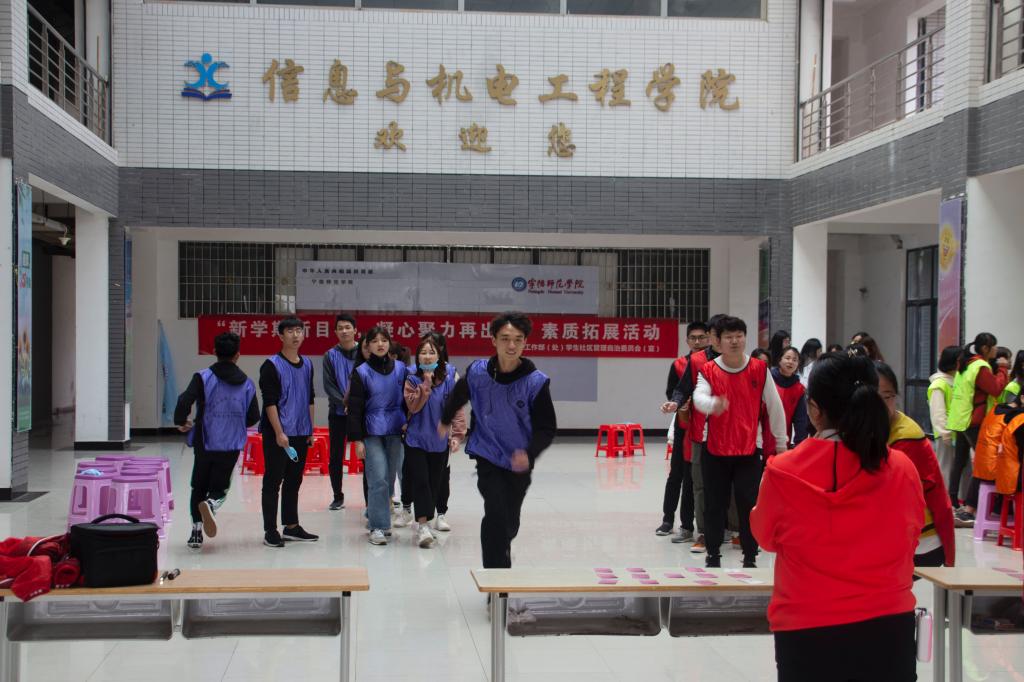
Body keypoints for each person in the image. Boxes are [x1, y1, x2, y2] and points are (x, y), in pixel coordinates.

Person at [750, 353, 924, 682]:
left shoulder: (783, 471)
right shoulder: (902, 468)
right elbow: (912, 534)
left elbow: (765, 537)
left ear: (814, 410)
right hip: (889, 625)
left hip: (806, 628)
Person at [440, 312, 557, 569]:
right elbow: (459, 395)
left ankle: (502, 545)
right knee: (495, 511)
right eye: (505, 338)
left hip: (518, 461)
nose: (511, 345)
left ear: (525, 342)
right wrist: (445, 419)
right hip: (488, 453)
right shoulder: (478, 372)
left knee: (509, 521)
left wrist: (529, 453)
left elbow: (547, 428)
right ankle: (496, 577)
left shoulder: (535, 382)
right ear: (493, 340)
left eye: (518, 339)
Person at [692, 316, 788, 568]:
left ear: (745, 338)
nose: (734, 341)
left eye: (739, 336)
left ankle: (750, 556)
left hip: (749, 450)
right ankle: (713, 554)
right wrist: (713, 404)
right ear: (718, 341)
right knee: (715, 503)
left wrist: (781, 443)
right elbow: (699, 398)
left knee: (748, 504)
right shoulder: (708, 370)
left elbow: (775, 407)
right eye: (729, 337)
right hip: (715, 450)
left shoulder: (759, 369)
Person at [174, 332, 260, 551]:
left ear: (215, 352)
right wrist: (235, 421)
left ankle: (195, 533)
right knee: (220, 487)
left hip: (205, 441)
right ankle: (211, 503)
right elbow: (253, 417)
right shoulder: (247, 384)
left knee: (198, 485)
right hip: (231, 443)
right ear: (238, 355)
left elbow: (184, 399)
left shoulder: (202, 377)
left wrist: (181, 420)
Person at [876, 362, 955, 569]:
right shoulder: (868, 429)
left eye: (888, 396)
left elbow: (936, 497)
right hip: (893, 537)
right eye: (873, 397)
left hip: (920, 540)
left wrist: (950, 556)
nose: (880, 405)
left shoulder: (906, 439)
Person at [662, 313, 728, 554]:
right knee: (692, 481)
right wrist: (675, 403)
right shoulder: (695, 362)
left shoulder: (739, 361)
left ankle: (729, 529)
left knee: (727, 484)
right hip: (696, 431)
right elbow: (680, 390)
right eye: (719, 335)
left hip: (730, 433)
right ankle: (692, 528)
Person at [259, 317, 318, 548]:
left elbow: (310, 398)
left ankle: (291, 526)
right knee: (273, 480)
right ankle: (270, 530)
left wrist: (310, 428)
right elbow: (269, 401)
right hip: (279, 434)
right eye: (290, 331)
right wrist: (278, 432)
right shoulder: (271, 365)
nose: (295, 335)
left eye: (299, 331)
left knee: (294, 480)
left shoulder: (308, 364)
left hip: (301, 432)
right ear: (280, 336)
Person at [347, 326, 408, 546]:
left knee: (389, 480)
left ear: (389, 343)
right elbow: (354, 408)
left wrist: (409, 422)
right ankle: (378, 526)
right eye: (375, 341)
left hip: (396, 431)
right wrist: (357, 440)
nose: (380, 344)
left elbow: (409, 400)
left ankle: (379, 517)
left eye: (384, 340)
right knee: (378, 478)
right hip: (371, 432)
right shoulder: (361, 372)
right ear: (368, 345)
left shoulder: (401, 369)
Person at [403, 336, 466, 548]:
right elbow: (413, 407)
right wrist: (426, 384)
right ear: (417, 357)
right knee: (420, 481)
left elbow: (456, 408)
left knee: (433, 484)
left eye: (432, 352)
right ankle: (423, 526)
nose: (427, 356)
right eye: (423, 352)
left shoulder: (448, 379)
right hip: (415, 440)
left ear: (439, 356)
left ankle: (428, 521)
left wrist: (457, 435)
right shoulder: (411, 378)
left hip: (439, 442)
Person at [947, 332, 1009, 526]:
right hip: (974, 420)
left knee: (960, 462)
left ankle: (953, 502)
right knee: (983, 464)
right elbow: (996, 389)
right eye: (994, 346)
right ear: (985, 348)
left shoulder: (966, 363)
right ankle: (969, 510)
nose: (996, 349)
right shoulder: (980, 366)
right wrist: (1003, 369)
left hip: (961, 419)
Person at [657, 320, 709, 541]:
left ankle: (701, 525)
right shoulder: (678, 365)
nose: (697, 342)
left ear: (709, 338)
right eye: (693, 338)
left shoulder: (714, 363)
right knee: (676, 474)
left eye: (701, 337)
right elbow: (673, 392)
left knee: (698, 478)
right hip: (683, 426)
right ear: (687, 341)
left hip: (707, 427)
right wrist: (680, 404)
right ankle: (668, 519)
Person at [322, 313, 362, 511]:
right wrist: (344, 403)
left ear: (355, 330)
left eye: (348, 327)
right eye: (340, 328)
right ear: (335, 332)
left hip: (361, 413)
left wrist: (356, 404)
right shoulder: (330, 355)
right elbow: (328, 385)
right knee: (335, 457)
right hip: (338, 413)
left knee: (367, 454)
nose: (344, 331)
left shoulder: (364, 352)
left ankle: (370, 498)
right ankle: (337, 496)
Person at [929, 345, 962, 505]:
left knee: (956, 470)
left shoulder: (955, 381)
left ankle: (955, 500)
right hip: (946, 436)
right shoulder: (939, 384)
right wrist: (945, 433)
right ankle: (944, 501)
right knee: (946, 469)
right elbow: (938, 413)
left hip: (957, 434)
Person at [764, 347, 809, 454]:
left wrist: (799, 447)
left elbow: (801, 421)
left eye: (795, 360)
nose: (790, 362)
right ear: (780, 360)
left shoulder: (799, 389)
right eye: (787, 358)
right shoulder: (767, 380)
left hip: (782, 443)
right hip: (761, 438)